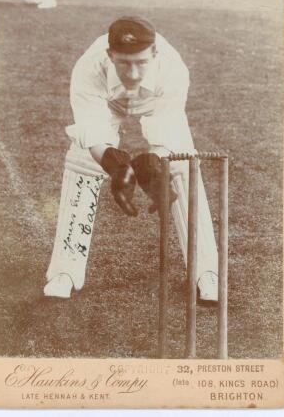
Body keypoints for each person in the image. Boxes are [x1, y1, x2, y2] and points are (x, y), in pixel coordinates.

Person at [44, 16, 219, 302]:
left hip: (154, 102)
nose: (134, 73)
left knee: (181, 165)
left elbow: (167, 128)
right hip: (107, 102)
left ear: (154, 54)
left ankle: (206, 273)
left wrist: (155, 165)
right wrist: (116, 166)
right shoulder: (89, 68)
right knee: (83, 160)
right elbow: (92, 129)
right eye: (124, 63)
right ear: (110, 55)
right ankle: (65, 271)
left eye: (141, 62)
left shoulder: (173, 70)